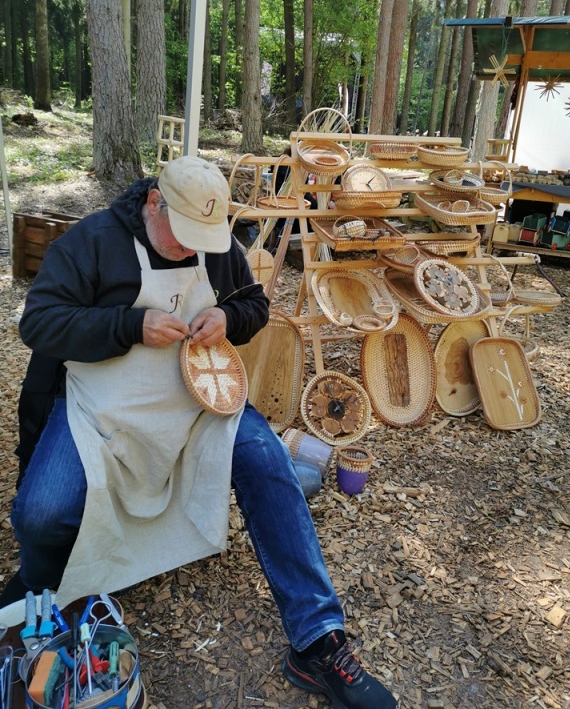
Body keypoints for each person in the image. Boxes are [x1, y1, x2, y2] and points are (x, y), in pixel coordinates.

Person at [1, 156, 396, 709]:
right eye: (183, 234)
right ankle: (41, 597)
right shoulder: (91, 242)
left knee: (270, 467)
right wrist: (129, 324)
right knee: (41, 514)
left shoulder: (213, 244)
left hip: (200, 399)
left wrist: (229, 320)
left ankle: (318, 640)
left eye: (202, 238)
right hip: (104, 404)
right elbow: (39, 323)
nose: (193, 249)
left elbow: (254, 304)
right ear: (154, 203)